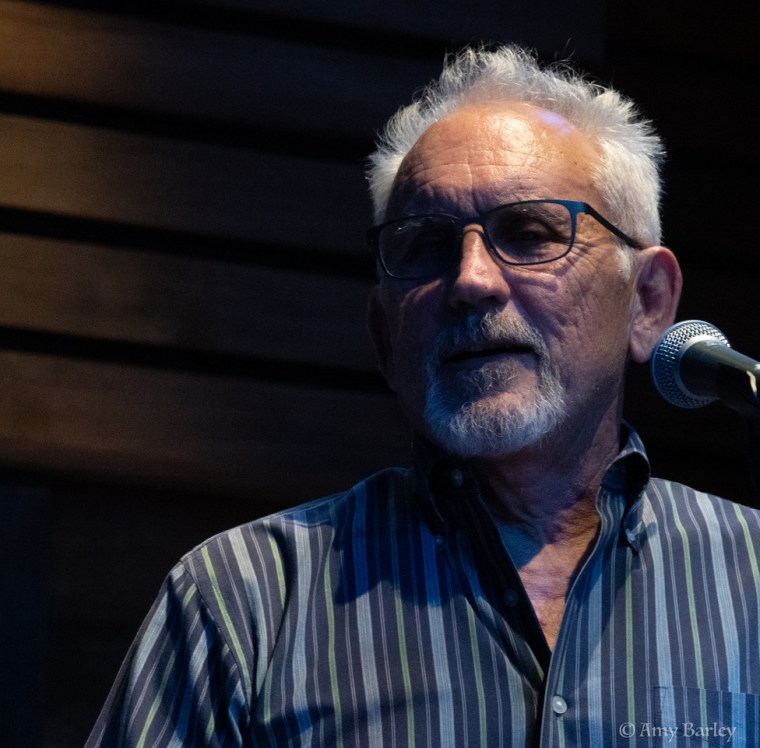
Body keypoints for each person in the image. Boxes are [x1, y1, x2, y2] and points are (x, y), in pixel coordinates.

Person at [87, 45, 760, 747]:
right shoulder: (243, 602)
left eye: (529, 233)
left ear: (648, 302)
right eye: (427, 247)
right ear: (385, 332)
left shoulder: (749, 578)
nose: (471, 281)